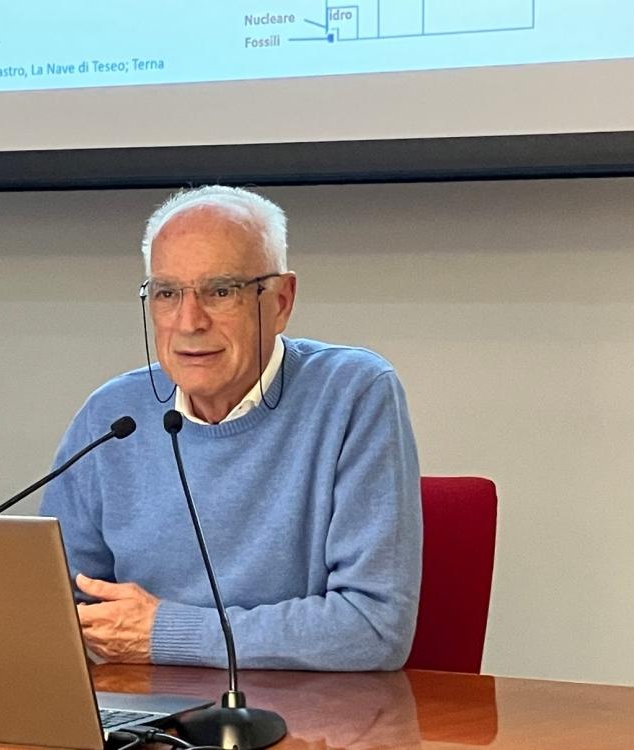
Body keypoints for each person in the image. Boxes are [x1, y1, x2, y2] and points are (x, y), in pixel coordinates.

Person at [39, 185, 422, 670]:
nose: (189, 321)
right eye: (167, 293)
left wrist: (168, 633)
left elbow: (373, 627)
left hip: (300, 708)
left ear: (280, 301)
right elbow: (51, 609)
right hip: (142, 704)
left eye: (220, 292)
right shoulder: (113, 414)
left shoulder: (352, 393)